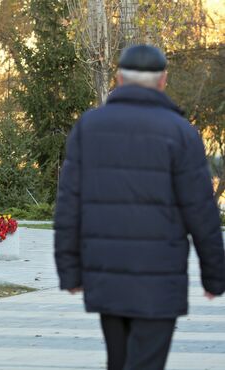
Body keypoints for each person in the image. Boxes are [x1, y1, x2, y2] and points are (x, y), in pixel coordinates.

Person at [54, 44, 225, 370]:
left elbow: (68, 205)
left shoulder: (89, 128)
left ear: (118, 78)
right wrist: (214, 276)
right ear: (163, 81)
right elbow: (200, 210)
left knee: (118, 362)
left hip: (106, 273)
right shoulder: (181, 133)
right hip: (159, 279)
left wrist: (70, 270)